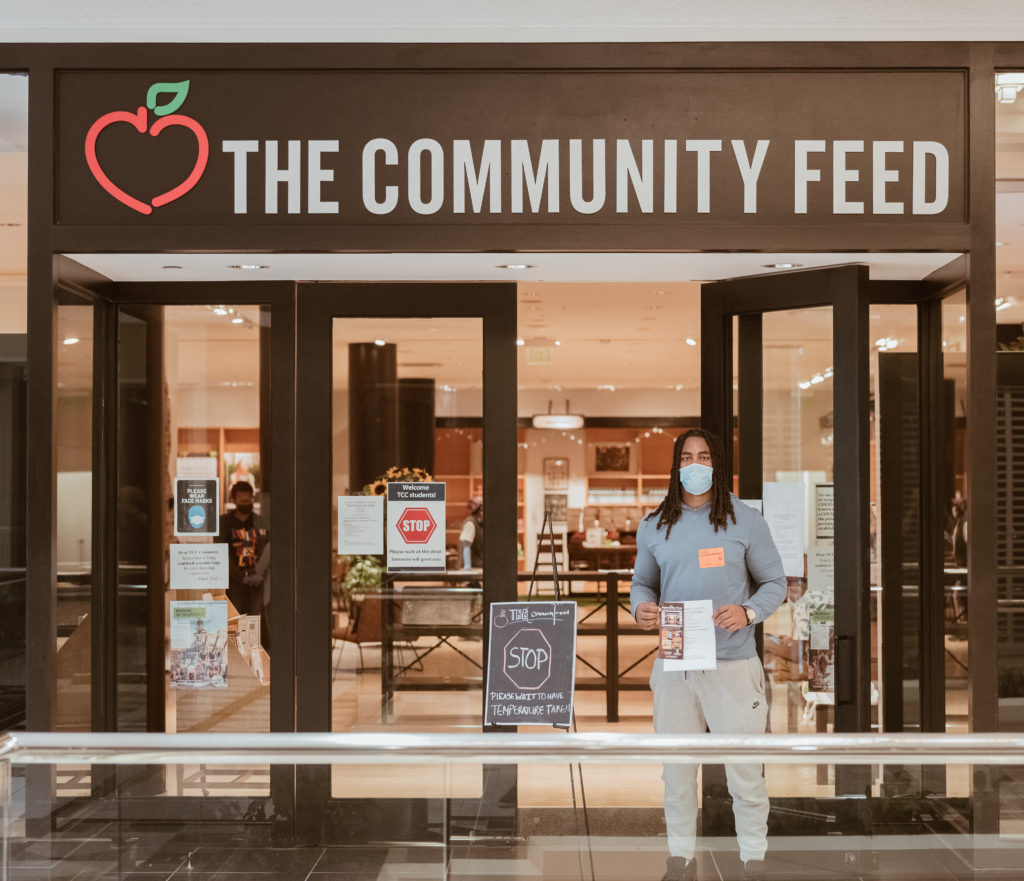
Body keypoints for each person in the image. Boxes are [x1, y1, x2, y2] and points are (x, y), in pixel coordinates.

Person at [631, 428, 786, 881]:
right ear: (675, 465)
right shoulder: (654, 523)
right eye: (686, 457)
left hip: (734, 666)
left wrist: (749, 611)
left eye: (703, 456)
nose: (694, 465)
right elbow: (643, 583)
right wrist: (639, 606)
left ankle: (753, 860)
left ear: (717, 464)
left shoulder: (746, 521)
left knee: (745, 774)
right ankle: (679, 859)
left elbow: (775, 583)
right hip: (675, 665)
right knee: (677, 773)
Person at [218, 480, 270, 648]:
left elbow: (265, 549)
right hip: (234, 581)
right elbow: (221, 553)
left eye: (249, 500)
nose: (246, 504)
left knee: (254, 619)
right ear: (234, 500)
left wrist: (259, 574)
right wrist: (240, 577)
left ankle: (252, 656)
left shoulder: (260, 522)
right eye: (242, 501)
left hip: (257, 580)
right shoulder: (224, 523)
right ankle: (235, 658)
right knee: (234, 618)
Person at [460, 496, 483, 569]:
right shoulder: (471, 523)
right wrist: (467, 566)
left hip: (481, 566)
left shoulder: (481, 524)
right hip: (474, 567)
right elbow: (466, 545)